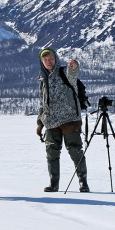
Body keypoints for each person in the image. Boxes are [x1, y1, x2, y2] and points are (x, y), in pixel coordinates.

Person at [36, 48, 90, 192]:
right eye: (45, 59)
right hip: (51, 121)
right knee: (51, 153)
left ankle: (83, 182)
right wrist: (39, 123)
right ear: (42, 62)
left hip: (70, 119)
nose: (48, 61)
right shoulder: (42, 79)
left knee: (75, 151)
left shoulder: (64, 72)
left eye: (51, 58)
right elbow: (42, 103)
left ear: (56, 59)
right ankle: (54, 184)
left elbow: (73, 73)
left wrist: (74, 65)